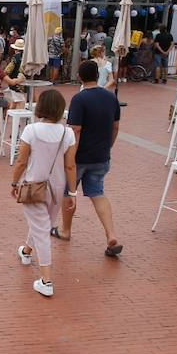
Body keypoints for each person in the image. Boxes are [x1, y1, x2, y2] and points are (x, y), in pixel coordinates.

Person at [10, 90, 77, 297]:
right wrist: (73, 192)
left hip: (34, 185)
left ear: (40, 108)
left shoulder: (31, 130)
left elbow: (21, 161)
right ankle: (26, 252)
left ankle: (46, 280)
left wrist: (14, 181)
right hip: (57, 187)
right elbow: (70, 166)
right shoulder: (68, 133)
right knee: (43, 223)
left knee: (41, 229)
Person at [57, 60, 123, 256]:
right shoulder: (111, 98)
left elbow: (75, 130)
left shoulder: (79, 99)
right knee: (97, 193)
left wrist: (70, 156)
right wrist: (108, 146)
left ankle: (65, 230)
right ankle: (111, 234)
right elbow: (116, 126)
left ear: (80, 77)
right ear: (98, 75)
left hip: (80, 156)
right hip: (101, 155)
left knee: (68, 193)